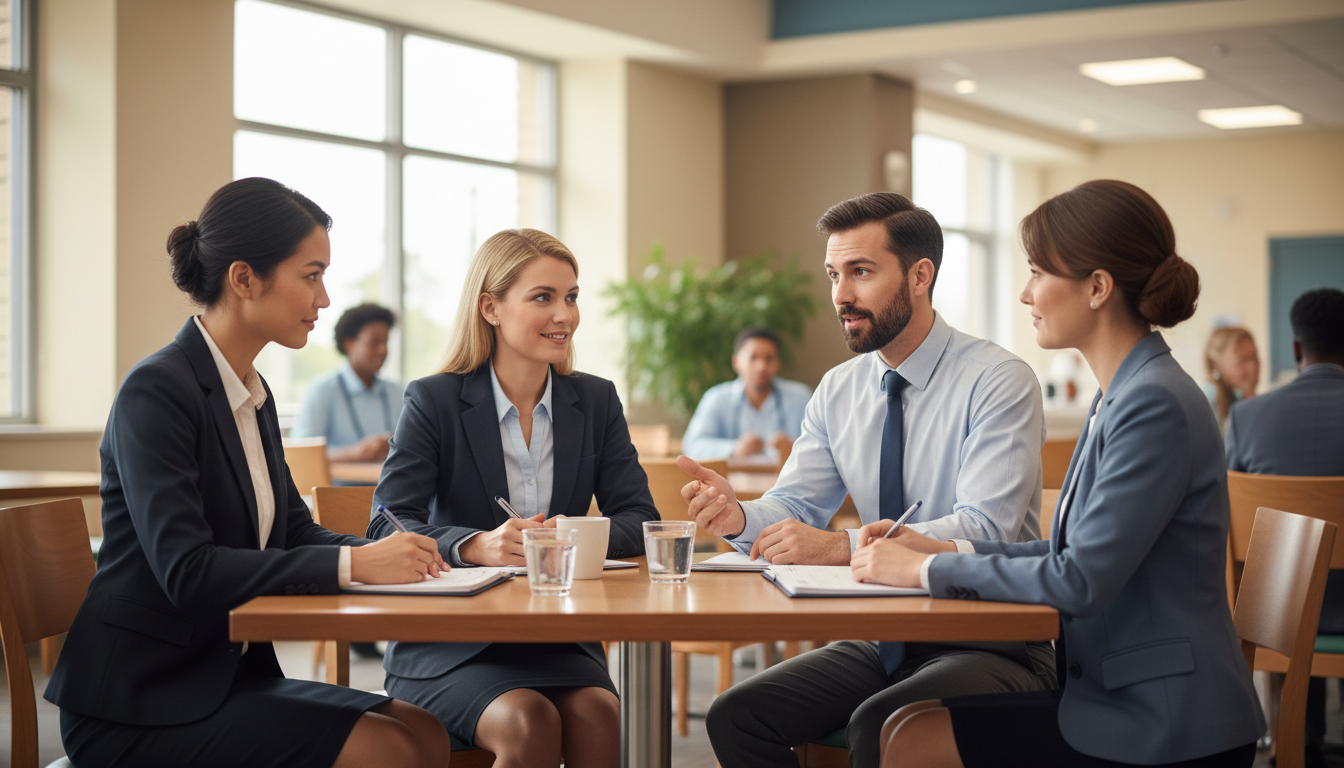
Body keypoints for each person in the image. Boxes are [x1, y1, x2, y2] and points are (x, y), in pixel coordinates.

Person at [43, 178, 452, 768]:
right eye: (311, 275)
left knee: (425, 732)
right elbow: (187, 570)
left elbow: (292, 530)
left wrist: (395, 558)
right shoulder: (157, 391)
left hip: (221, 675)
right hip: (140, 698)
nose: (325, 298)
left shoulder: (250, 394)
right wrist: (357, 563)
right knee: (389, 747)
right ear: (244, 279)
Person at [865, 179, 1265, 768]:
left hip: (1164, 720)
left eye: (1037, 273)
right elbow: (1066, 550)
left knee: (909, 738)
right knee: (904, 726)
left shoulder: (1151, 403)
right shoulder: (1124, 394)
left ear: (1098, 287)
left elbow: (1080, 579)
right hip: (1122, 694)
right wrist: (940, 548)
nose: (1026, 294)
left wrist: (925, 569)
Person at [678, 192, 1052, 768]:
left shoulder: (999, 380)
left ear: (920, 275)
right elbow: (797, 504)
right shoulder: (838, 389)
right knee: (737, 716)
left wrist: (839, 546)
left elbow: (983, 526)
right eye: (833, 274)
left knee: (879, 724)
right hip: (888, 635)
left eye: (861, 272)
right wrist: (741, 517)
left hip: (992, 638)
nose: (840, 295)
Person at [368, 228, 659, 768]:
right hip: (452, 644)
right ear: (490, 309)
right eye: (543, 297)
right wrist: (474, 545)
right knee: (529, 720)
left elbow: (642, 518)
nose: (565, 315)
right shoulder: (434, 400)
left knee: (601, 716)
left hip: (560, 639)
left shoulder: (595, 400)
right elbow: (385, 524)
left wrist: (564, 538)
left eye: (571, 297)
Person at [1225, 287, 1344, 759]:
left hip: (1278, 618)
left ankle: (1299, 739)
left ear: (1296, 348)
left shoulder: (1246, 417)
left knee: (1288, 581)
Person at [295, 302, 406, 465]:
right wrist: (355, 453)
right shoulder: (322, 392)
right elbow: (301, 455)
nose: (383, 350)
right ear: (350, 344)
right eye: (375, 342)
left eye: (386, 342)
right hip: (338, 489)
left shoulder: (399, 392)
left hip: (390, 489)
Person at [682, 327, 812, 462]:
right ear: (736, 362)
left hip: (785, 481)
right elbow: (692, 447)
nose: (761, 366)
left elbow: (821, 447)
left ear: (778, 362)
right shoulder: (717, 398)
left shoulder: (800, 397)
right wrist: (734, 449)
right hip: (731, 482)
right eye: (753, 357)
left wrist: (795, 447)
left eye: (769, 358)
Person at [1203, 325, 1259, 431]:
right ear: (1215, 364)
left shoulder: (1238, 395)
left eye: (1254, 357)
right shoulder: (1209, 400)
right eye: (1243, 359)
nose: (1253, 367)